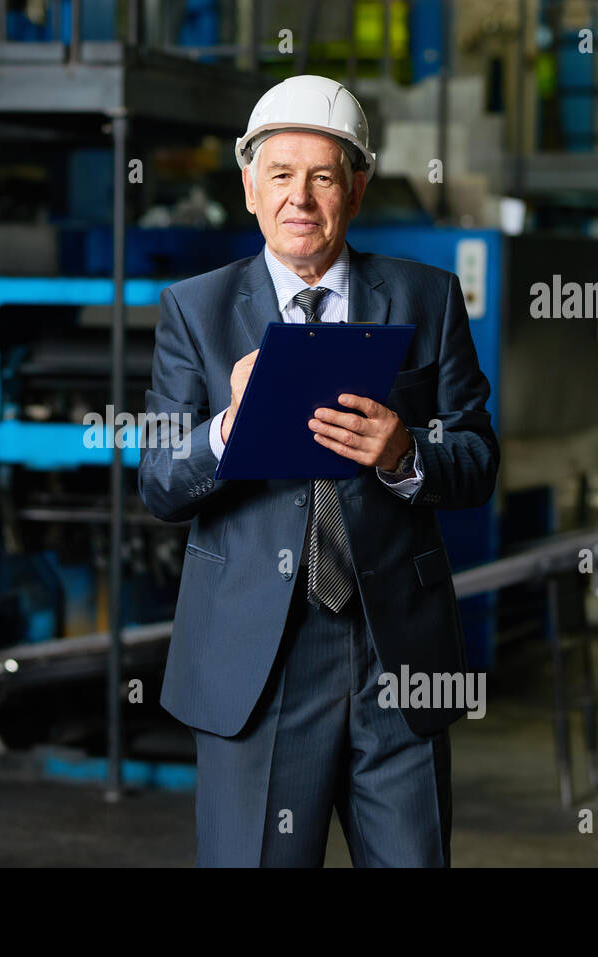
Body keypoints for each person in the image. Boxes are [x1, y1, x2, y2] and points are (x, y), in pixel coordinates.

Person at [137, 75, 499, 867]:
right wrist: (230, 425)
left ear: (356, 189)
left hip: (394, 658)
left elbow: (477, 459)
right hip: (257, 665)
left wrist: (407, 453)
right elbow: (160, 481)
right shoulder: (194, 312)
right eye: (280, 175)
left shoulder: (424, 298)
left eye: (324, 176)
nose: (300, 198)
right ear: (248, 188)